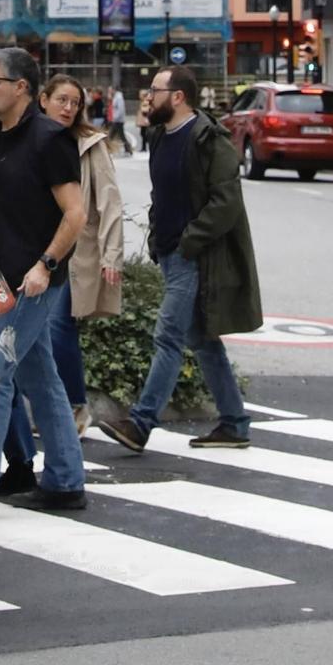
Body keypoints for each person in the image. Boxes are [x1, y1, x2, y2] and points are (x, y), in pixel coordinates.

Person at [0, 52, 89, 516]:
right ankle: (66, 480)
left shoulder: (49, 139)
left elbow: (76, 214)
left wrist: (45, 264)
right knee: (39, 375)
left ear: (22, 87)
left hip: (32, 280)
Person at [99, 64, 261, 455]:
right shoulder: (159, 136)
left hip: (194, 257)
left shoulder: (209, 140)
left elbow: (226, 203)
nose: (148, 96)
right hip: (171, 253)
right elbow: (163, 195)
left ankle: (140, 424)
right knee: (202, 341)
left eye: (155, 89)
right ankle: (234, 422)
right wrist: (158, 235)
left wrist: (190, 241)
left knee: (168, 335)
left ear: (178, 97)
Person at [40, 75, 125, 433]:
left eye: (75, 102)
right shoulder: (32, 139)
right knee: (38, 333)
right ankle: (53, 406)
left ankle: (76, 406)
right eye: (62, 100)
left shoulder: (90, 145)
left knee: (59, 326)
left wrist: (112, 255)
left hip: (76, 254)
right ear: (43, 100)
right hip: (35, 250)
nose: (68, 108)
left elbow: (110, 201)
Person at [108, 82, 132, 157]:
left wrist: (116, 117)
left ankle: (108, 149)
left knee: (112, 135)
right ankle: (128, 149)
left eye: (110, 90)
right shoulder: (116, 96)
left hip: (118, 120)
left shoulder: (119, 97)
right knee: (120, 136)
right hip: (117, 120)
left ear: (113, 90)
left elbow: (120, 109)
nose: (109, 91)